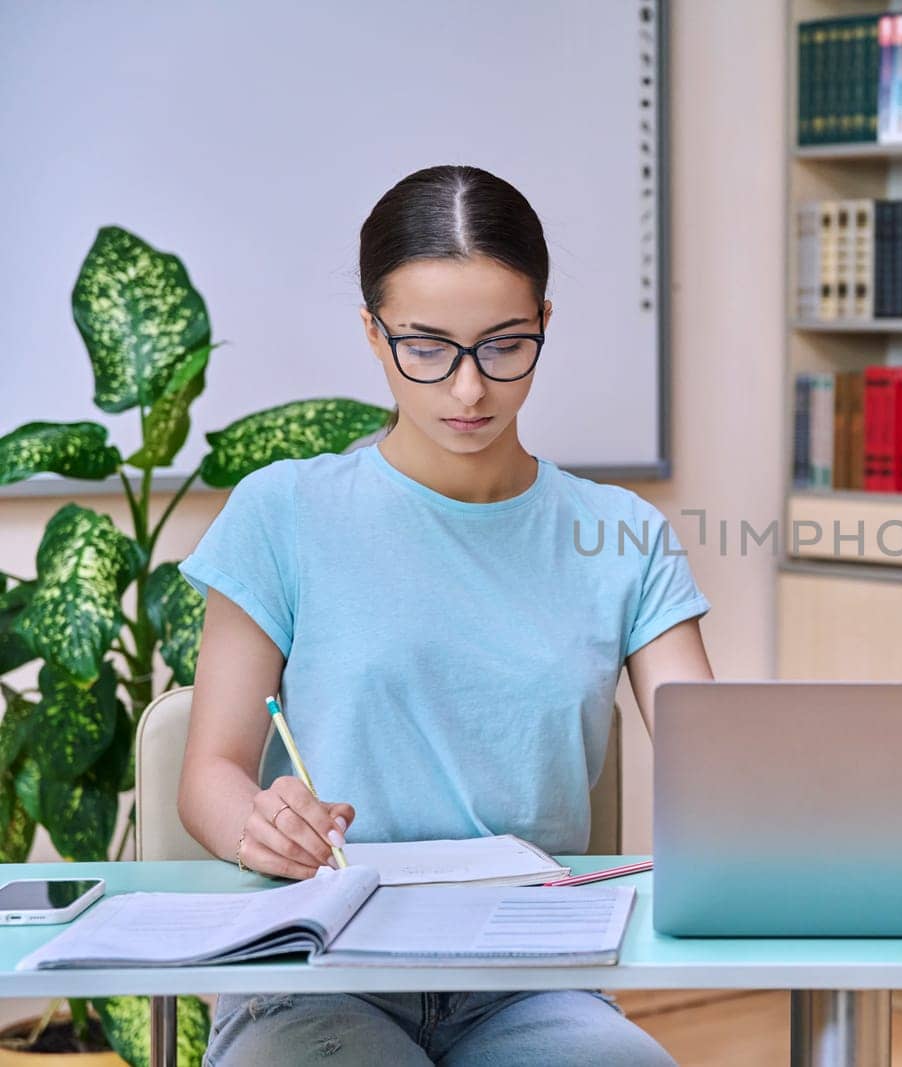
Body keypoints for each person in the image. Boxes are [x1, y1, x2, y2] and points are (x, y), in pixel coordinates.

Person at [177, 165, 709, 1066]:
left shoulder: (622, 535)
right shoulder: (283, 513)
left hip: (532, 978)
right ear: (373, 336)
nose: (468, 389)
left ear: (545, 323)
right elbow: (211, 772)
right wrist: (255, 821)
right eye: (427, 347)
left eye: (503, 344)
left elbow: (718, 766)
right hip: (319, 970)